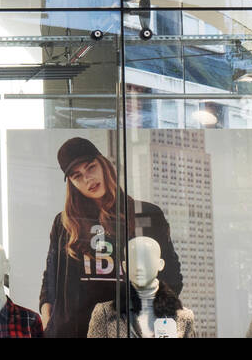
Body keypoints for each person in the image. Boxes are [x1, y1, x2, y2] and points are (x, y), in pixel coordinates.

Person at [39, 137, 182, 338]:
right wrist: (49, 320)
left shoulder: (145, 214)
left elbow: (171, 277)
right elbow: (50, 280)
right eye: (77, 176)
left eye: (90, 168)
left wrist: (152, 323)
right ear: (71, 183)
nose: (88, 179)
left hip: (128, 330)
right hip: (74, 332)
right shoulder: (65, 223)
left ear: (103, 164)